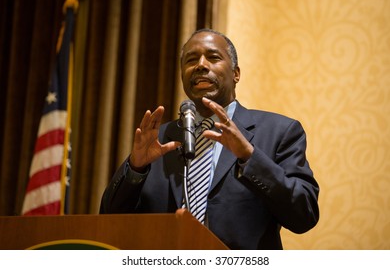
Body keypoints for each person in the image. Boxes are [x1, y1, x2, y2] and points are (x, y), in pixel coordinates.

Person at [100, 28, 320, 249]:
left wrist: (249, 157)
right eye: (191, 60)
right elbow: (108, 220)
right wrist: (136, 168)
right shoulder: (159, 139)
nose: (201, 65)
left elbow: (304, 215)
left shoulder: (279, 131)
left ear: (236, 73)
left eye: (213, 57)